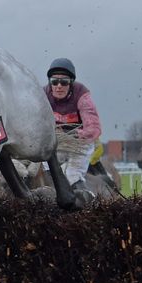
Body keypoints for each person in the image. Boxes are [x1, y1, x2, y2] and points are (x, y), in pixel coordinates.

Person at [43, 58, 104, 191]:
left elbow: (94, 128)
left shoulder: (82, 96)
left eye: (64, 82)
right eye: (55, 82)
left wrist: (76, 134)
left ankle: (85, 204)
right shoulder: (43, 95)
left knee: (72, 175)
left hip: (80, 143)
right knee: (46, 172)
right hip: (56, 143)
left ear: (71, 83)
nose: (59, 86)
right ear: (50, 83)